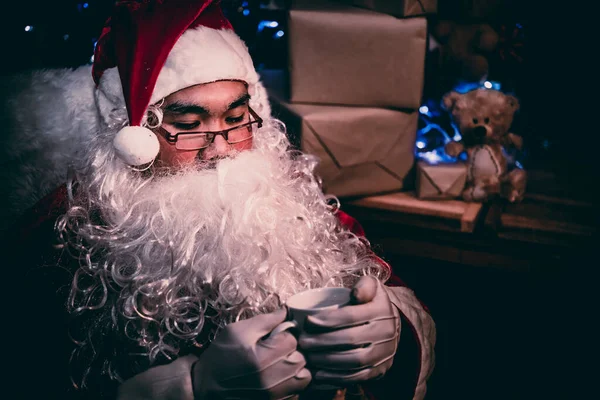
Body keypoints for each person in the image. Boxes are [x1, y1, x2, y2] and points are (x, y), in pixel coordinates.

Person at [4, 1, 435, 399]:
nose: (221, 148)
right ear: (133, 138)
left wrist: (392, 328)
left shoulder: (286, 201)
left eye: (235, 119)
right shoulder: (60, 235)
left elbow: (385, 289)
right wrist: (191, 387)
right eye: (190, 123)